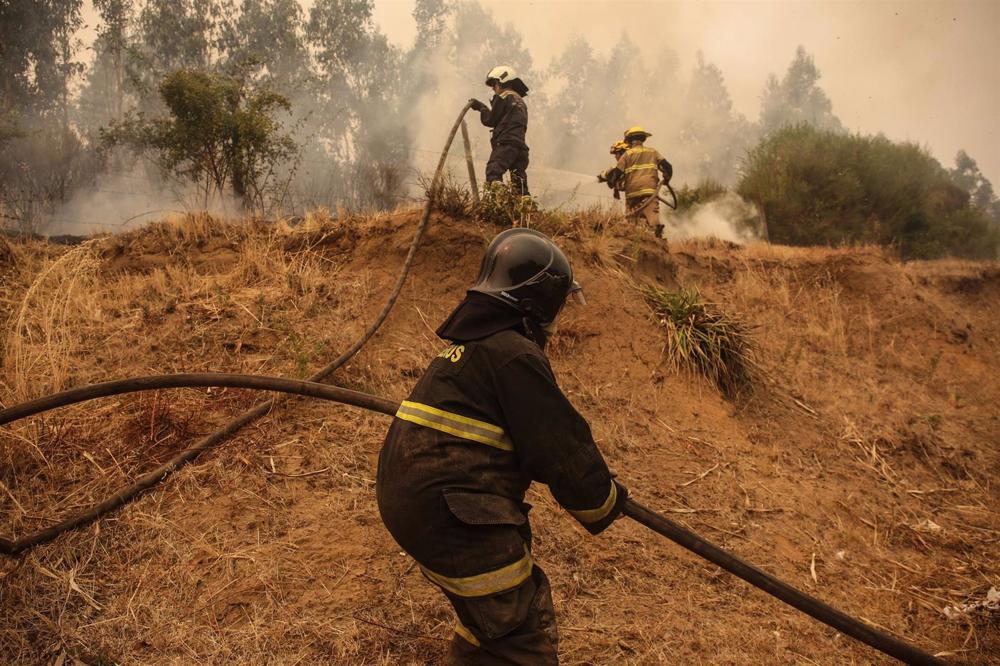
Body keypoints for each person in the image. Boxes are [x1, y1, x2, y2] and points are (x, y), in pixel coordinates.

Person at [376, 228, 628, 665]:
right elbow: (560, 445)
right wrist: (603, 500)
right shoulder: (513, 354)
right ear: (537, 305)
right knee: (520, 631)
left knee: (486, 618)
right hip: (451, 513)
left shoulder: (470, 349)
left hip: (416, 505)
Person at [469, 66, 531, 197]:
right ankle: (527, 210)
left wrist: (481, 107)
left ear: (502, 81)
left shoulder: (503, 96)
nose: (493, 88)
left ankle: (500, 202)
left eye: (494, 84)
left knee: (493, 172)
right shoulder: (520, 100)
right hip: (521, 147)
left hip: (506, 144)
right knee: (519, 183)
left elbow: (490, 120)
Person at [605, 126, 673, 240]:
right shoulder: (653, 152)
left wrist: (611, 182)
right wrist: (666, 179)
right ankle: (658, 241)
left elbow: (616, 174)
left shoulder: (627, 155)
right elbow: (668, 167)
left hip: (632, 194)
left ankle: (634, 243)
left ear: (629, 140)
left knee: (632, 224)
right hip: (649, 194)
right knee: (653, 221)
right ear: (643, 139)